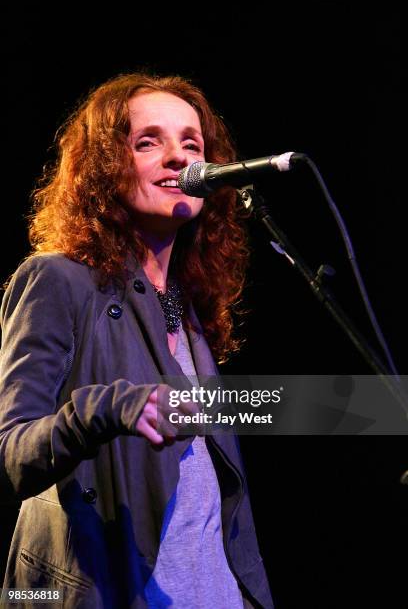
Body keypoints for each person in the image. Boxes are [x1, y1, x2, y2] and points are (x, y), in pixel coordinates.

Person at [0, 72, 274, 608]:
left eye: (190, 144)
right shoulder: (58, 280)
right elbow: (12, 454)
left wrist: (360, 410)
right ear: (105, 166)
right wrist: (111, 407)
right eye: (148, 141)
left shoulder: (187, 302)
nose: (178, 158)